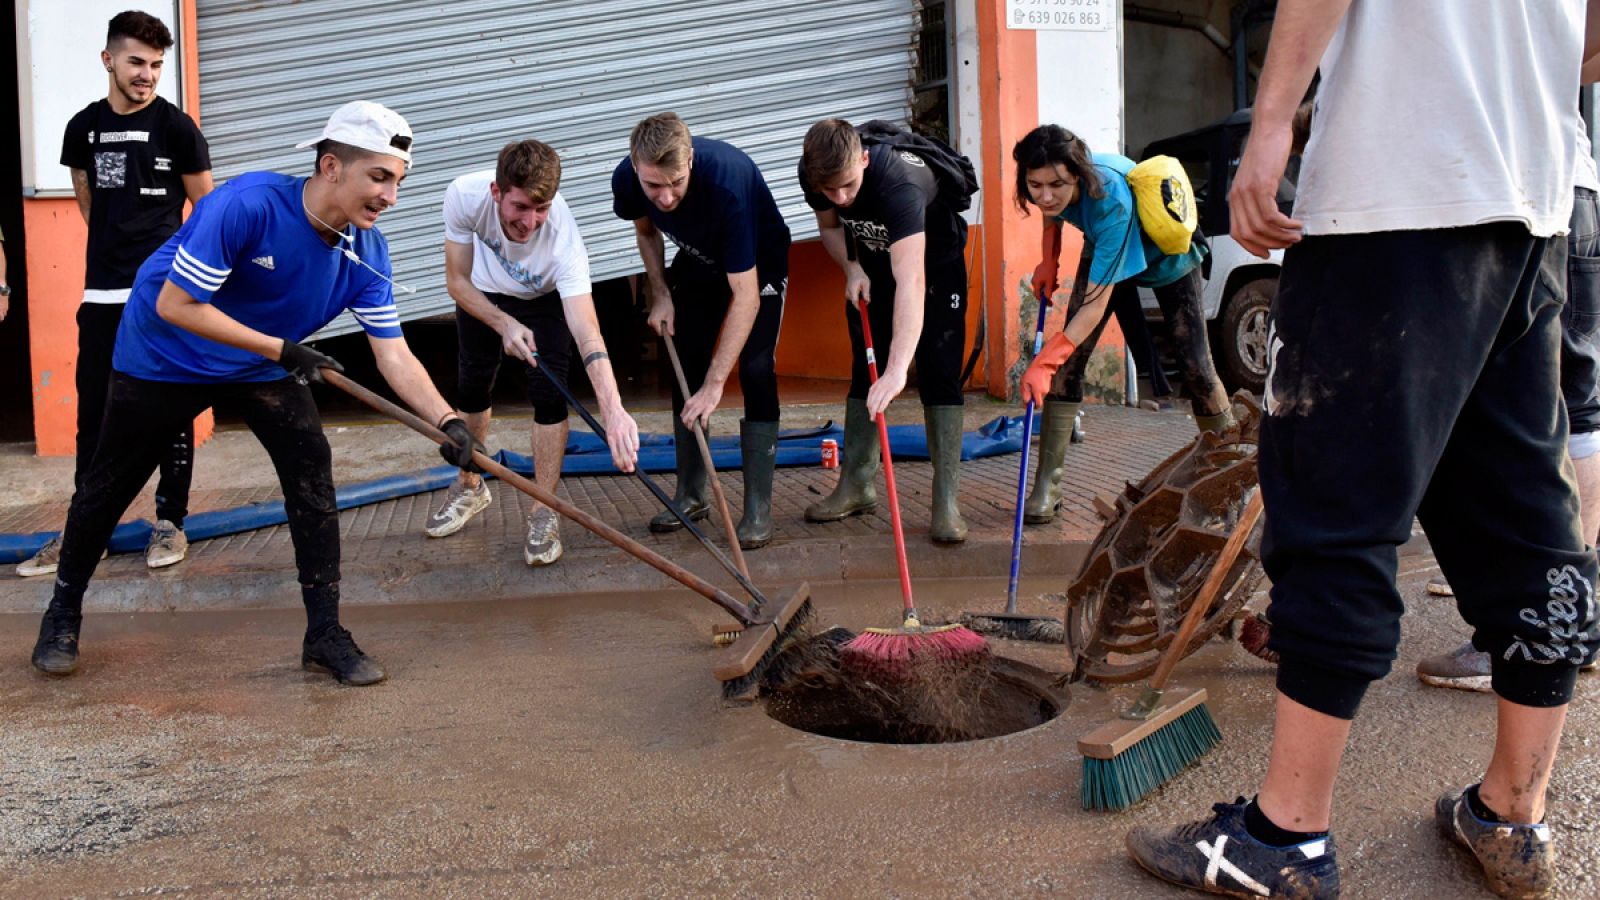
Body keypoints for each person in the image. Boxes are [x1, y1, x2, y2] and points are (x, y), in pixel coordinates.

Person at [1123, 2, 1599, 898]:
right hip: (1536, 199)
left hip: (1398, 188)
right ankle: (1514, 814)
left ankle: (1287, 838)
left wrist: (1271, 124)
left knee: (1334, 510)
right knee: (1527, 518)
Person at [28, 101, 482, 687]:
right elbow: (176, 304)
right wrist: (282, 350)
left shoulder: (366, 254)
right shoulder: (248, 205)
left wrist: (447, 422)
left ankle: (324, 632)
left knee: (310, 469)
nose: (390, 197)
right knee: (109, 482)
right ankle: (62, 613)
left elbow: (393, 354)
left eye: (398, 182)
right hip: (166, 352)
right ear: (330, 167)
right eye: (379, 177)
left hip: (259, 360)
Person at [19, 10, 212, 577]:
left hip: (162, 300)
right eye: (136, 62)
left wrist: (181, 279)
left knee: (171, 409)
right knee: (94, 417)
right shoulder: (82, 127)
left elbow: (210, 213)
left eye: (156, 64)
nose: (147, 74)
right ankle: (88, 529)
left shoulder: (177, 129)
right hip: (102, 295)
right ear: (108, 60)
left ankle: (170, 522)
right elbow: (88, 201)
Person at [423, 140, 639, 566]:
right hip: (482, 293)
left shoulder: (563, 240)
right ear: (496, 191)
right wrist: (503, 322)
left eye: (542, 209)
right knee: (471, 389)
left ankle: (543, 508)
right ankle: (470, 486)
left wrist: (613, 410)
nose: (531, 221)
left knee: (548, 395)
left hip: (543, 301)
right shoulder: (464, 196)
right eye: (521, 207)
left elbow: (587, 333)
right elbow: (456, 281)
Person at [1014, 125, 1233, 525]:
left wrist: (1043, 361)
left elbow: (1094, 308)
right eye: (1035, 184)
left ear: (1077, 175)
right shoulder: (1054, 187)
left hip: (1169, 261)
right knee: (1070, 363)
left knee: (1198, 370)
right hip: (1106, 248)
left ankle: (1232, 473)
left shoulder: (1109, 199)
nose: (1045, 195)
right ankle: (1048, 486)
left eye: (1056, 185)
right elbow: (1053, 214)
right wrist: (1050, 259)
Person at [611, 113, 791, 548]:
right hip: (700, 259)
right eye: (655, 186)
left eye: (675, 182)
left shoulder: (726, 185)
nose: (667, 197)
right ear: (636, 167)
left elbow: (745, 296)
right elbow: (647, 231)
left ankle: (758, 511)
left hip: (759, 263)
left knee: (753, 369)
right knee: (684, 361)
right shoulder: (628, 181)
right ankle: (691, 495)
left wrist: (715, 386)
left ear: (690, 159)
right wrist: (661, 293)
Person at [797, 118, 974, 544]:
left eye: (847, 186)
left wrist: (898, 371)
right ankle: (857, 485)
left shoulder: (900, 183)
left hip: (935, 265)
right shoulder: (815, 174)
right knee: (864, 369)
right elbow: (829, 227)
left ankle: (946, 499)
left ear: (864, 158)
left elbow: (910, 280)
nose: (839, 197)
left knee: (938, 371)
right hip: (874, 264)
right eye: (830, 190)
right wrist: (851, 268)